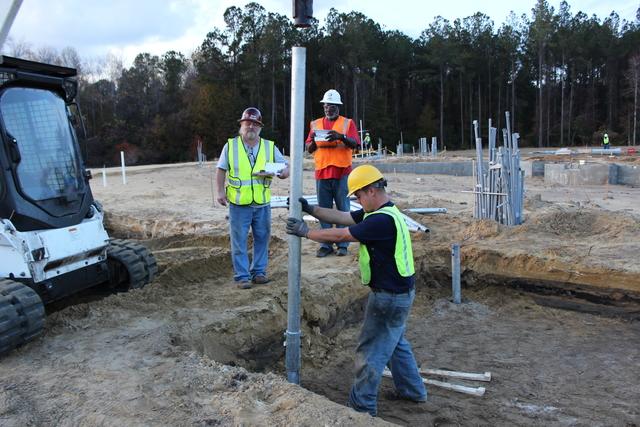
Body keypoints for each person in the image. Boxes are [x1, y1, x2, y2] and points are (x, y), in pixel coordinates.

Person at [286, 164, 426, 417]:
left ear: (371, 190)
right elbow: (343, 216)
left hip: (389, 298)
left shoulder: (381, 221)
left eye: (359, 196)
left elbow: (341, 235)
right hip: (400, 294)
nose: (358, 201)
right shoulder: (384, 212)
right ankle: (413, 391)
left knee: (370, 351)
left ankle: (361, 408)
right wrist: (312, 209)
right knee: (395, 343)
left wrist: (307, 233)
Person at [216, 107, 289, 289]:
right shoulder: (231, 146)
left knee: (262, 238)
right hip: (239, 203)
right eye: (248, 123)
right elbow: (221, 169)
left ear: (260, 127)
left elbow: (285, 166)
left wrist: (283, 173)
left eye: (255, 124)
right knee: (239, 240)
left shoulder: (268, 146)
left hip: (262, 203)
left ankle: (258, 272)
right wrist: (220, 192)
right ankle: (242, 276)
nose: (251, 127)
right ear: (241, 124)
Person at [305, 89, 361, 258]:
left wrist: (341, 136)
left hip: (342, 172)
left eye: (332, 106)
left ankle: (343, 244)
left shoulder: (347, 123)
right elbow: (309, 148)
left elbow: (355, 144)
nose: (329, 108)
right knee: (324, 211)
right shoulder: (315, 125)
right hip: (322, 173)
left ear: (338, 107)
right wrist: (314, 140)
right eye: (326, 106)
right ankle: (326, 244)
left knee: (344, 210)